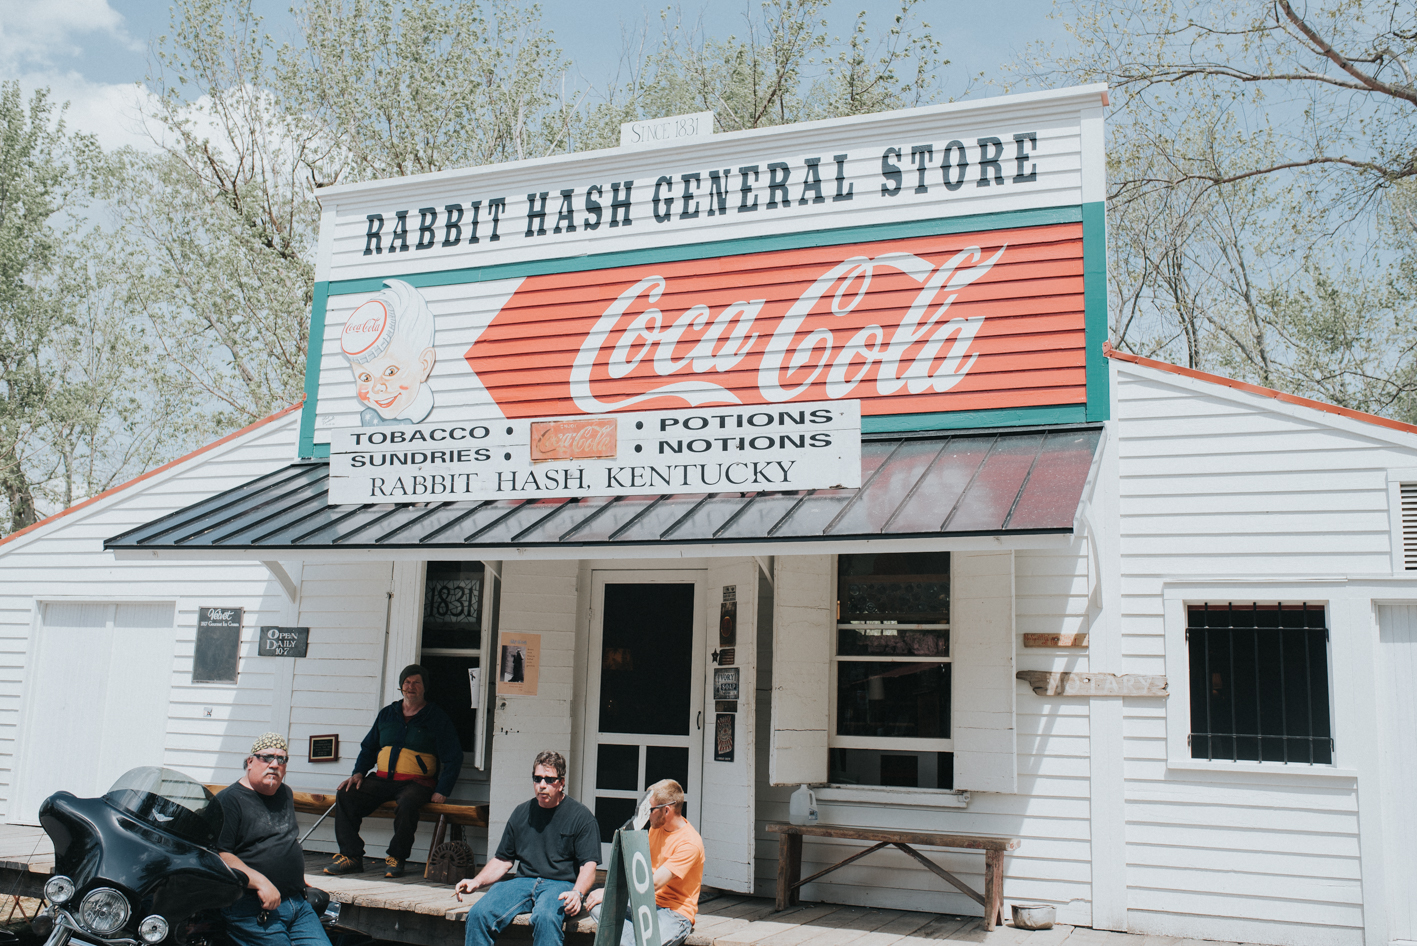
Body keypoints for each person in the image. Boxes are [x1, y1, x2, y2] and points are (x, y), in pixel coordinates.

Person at [325, 664, 464, 878]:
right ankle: (351, 856)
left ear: (424, 687)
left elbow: (454, 757)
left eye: (416, 682)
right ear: (401, 687)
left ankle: (396, 858)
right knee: (346, 794)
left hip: (417, 783)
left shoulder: (436, 717)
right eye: (407, 682)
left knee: (408, 802)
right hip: (382, 780)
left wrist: (443, 789)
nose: (411, 687)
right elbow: (369, 747)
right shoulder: (387, 714)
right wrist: (359, 772)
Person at [454, 751, 600, 946]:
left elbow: (588, 866)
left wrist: (578, 893)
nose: (542, 785)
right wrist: (476, 881)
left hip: (560, 885)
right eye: (538, 779)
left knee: (546, 917)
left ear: (562, 782)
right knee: (479, 913)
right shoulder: (522, 812)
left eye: (549, 780)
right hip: (522, 882)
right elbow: (503, 860)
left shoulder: (581, 817)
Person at [216, 733, 330, 946]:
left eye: (282, 759)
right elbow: (221, 854)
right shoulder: (229, 800)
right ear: (250, 762)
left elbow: (282, 841)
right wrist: (261, 883)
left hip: (297, 902)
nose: (275, 764)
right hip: (253, 906)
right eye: (267, 757)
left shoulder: (284, 793)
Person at [586, 779, 704, 946]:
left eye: (650, 809)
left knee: (647, 941)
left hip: (674, 914)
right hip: (645, 903)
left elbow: (653, 883)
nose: (647, 814)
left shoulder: (690, 843)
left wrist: (609, 892)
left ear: (666, 811)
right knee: (597, 906)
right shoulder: (656, 828)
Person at [340, 278, 438, 427]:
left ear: (424, 365)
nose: (377, 387)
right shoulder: (369, 418)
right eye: (365, 377)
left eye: (391, 371)